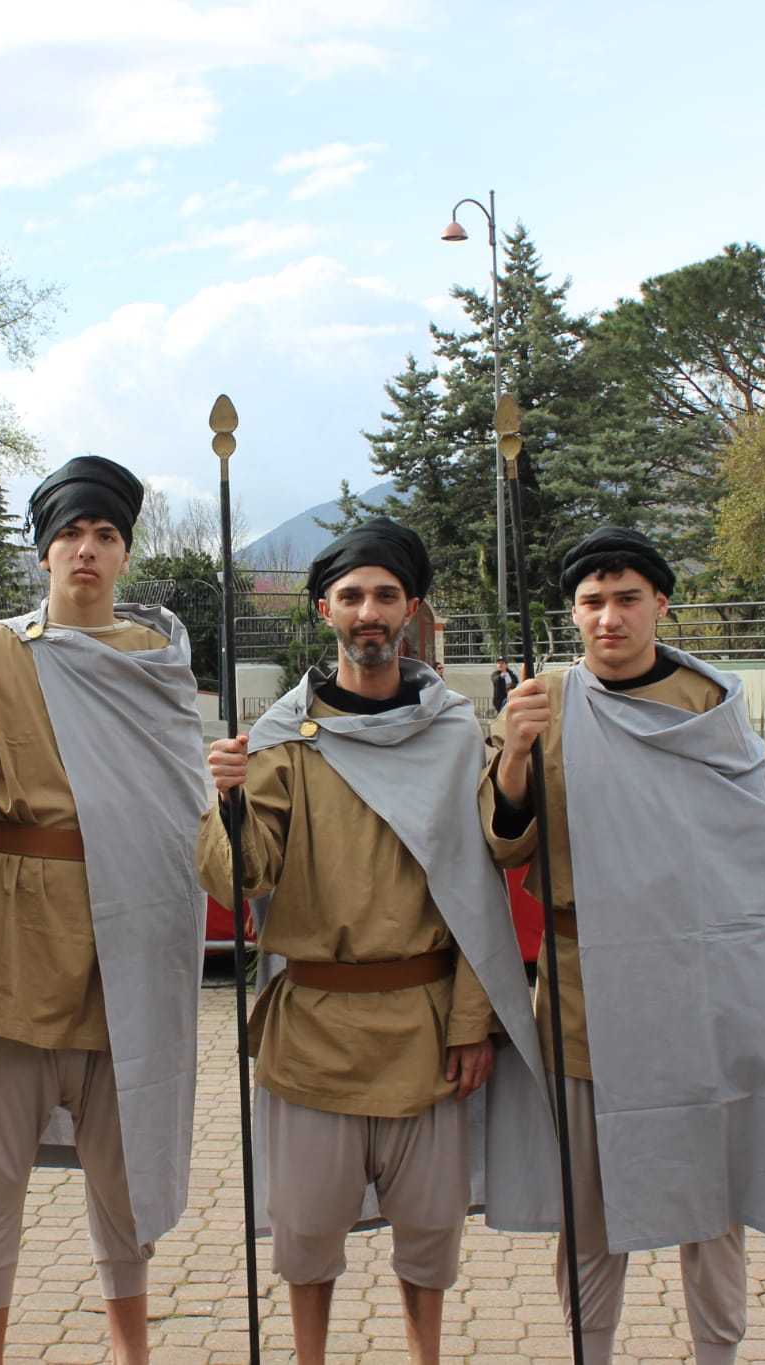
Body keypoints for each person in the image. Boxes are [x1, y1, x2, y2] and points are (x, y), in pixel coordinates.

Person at [199, 516, 545, 1365]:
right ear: (324, 609)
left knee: (429, 1234)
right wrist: (227, 802)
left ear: (412, 608)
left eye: (386, 595)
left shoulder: (454, 733)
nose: (369, 612)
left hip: (427, 1025)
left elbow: (479, 884)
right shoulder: (283, 740)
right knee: (307, 1234)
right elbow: (243, 875)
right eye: (351, 595)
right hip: (315, 1027)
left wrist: (473, 1019)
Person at [0, 456, 209, 1365]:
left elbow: (184, 800)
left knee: (123, 1178)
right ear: (44, 553)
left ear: (125, 554)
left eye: (105, 535)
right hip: (17, 944)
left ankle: (132, 1353)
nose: (86, 550)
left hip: (130, 943)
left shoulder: (157, 660)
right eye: (70, 534)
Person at [484, 527, 765, 1365]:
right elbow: (505, 841)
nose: (609, 617)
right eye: (592, 602)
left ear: (661, 603)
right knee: (588, 1202)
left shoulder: (709, 704)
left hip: (696, 984)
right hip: (582, 985)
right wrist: (515, 751)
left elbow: (754, 834)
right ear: (573, 613)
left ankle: (718, 1352)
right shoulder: (543, 701)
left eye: (626, 599)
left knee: (711, 1191)